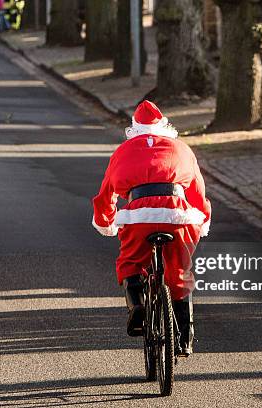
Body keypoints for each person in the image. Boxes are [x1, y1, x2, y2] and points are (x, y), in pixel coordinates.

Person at [92, 100, 211, 356]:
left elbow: (106, 194)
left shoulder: (123, 151)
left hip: (139, 217)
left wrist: (105, 222)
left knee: (131, 263)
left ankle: (137, 306)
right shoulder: (181, 148)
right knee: (180, 272)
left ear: (134, 128)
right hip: (178, 215)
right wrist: (203, 220)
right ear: (164, 126)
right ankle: (184, 339)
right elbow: (198, 191)